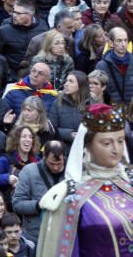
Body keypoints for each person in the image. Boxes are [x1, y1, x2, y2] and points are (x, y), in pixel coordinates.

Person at [38, 103, 133, 255]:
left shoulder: (129, 185)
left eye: (120, 141)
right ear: (86, 146)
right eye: (107, 143)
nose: (116, 149)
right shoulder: (69, 197)